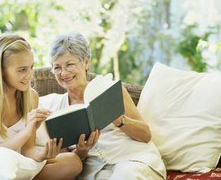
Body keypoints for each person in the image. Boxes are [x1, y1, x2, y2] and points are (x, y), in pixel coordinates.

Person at [39, 32, 167, 180]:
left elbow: (146, 135)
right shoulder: (56, 109)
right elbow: (64, 162)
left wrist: (119, 120)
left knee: (126, 175)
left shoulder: (111, 90)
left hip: (133, 160)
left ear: (86, 62)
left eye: (70, 65)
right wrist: (81, 153)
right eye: (57, 68)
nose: (64, 73)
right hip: (95, 172)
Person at [0, 33, 83, 180]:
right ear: (0, 70)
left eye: (31, 67)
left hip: (19, 162)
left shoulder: (30, 96)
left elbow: (28, 150)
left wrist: (43, 154)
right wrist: (27, 131)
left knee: (73, 162)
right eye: (22, 70)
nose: (30, 75)